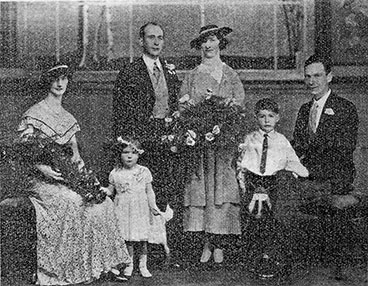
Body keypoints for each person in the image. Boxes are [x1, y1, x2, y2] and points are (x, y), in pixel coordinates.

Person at [17, 63, 130, 285]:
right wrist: (44, 170)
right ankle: (60, 270)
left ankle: (97, 267)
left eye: (64, 79)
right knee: (70, 202)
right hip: (41, 180)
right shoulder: (33, 114)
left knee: (101, 203)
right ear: (48, 82)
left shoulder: (68, 118)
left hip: (66, 177)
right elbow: (23, 155)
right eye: (55, 79)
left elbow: (76, 158)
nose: (60, 84)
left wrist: (88, 180)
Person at [112, 21, 182, 265]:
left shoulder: (170, 72)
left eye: (160, 38)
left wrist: (175, 133)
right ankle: (137, 254)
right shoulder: (130, 71)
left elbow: (176, 108)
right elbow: (122, 112)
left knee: (162, 193)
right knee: (139, 198)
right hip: (141, 143)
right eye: (151, 37)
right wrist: (129, 145)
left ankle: (160, 251)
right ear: (141, 41)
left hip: (165, 143)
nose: (156, 42)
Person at [178, 24, 246, 265]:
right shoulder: (192, 75)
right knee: (203, 192)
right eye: (204, 41)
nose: (208, 45)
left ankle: (220, 243)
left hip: (223, 145)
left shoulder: (230, 74)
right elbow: (183, 107)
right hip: (200, 147)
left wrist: (222, 108)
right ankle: (206, 242)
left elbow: (239, 106)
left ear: (220, 42)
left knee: (221, 193)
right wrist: (196, 122)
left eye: (212, 39)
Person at [292, 54, 360, 278]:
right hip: (310, 177)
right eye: (308, 76)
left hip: (334, 177)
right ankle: (282, 261)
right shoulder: (304, 110)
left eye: (318, 75)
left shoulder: (344, 108)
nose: (312, 81)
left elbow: (343, 149)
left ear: (329, 76)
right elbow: (298, 146)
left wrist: (309, 166)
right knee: (280, 189)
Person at [237, 98, 309, 275]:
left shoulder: (282, 140)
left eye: (270, 116)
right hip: (254, 183)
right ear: (256, 118)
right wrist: (243, 182)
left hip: (274, 185)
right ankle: (257, 258)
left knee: (274, 221)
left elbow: (293, 162)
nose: (266, 120)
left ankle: (272, 257)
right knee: (254, 221)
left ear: (277, 118)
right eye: (262, 116)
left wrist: (295, 169)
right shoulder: (250, 138)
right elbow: (241, 163)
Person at [104, 136, 160, 278]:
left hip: (140, 208)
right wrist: (103, 191)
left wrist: (153, 206)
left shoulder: (144, 171)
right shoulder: (115, 172)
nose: (129, 156)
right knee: (128, 238)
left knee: (142, 238)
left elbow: (149, 191)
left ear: (139, 154)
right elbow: (111, 191)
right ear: (120, 154)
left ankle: (143, 265)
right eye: (125, 152)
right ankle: (129, 264)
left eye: (133, 153)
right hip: (123, 208)